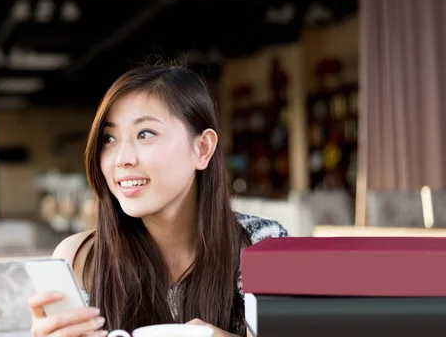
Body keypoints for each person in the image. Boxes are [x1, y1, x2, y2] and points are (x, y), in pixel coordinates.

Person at [28, 63, 288, 337]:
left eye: (145, 134)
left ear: (202, 149)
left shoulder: (263, 245)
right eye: (109, 138)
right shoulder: (79, 260)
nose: (122, 159)